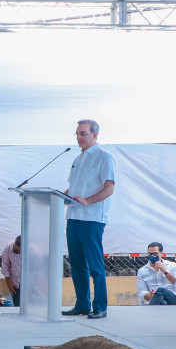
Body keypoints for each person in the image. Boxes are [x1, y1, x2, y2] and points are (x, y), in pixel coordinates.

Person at [63, 119, 116, 319]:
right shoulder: (78, 158)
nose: (79, 137)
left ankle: (100, 306)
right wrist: (57, 197)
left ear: (95, 135)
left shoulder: (104, 157)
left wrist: (87, 201)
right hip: (73, 217)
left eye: (83, 133)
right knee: (77, 264)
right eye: (77, 134)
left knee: (95, 265)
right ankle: (82, 304)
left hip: (92, 218)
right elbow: (73, 188)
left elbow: (109, 188)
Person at [0, 235, 22, 307]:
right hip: (15, 283)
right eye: (14, 246)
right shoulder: (9, 246)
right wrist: (8, 281)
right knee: (17, 306)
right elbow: (5, 264)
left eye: (17, 249)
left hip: (29, 283)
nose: (14, 248)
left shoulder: (33, 250)